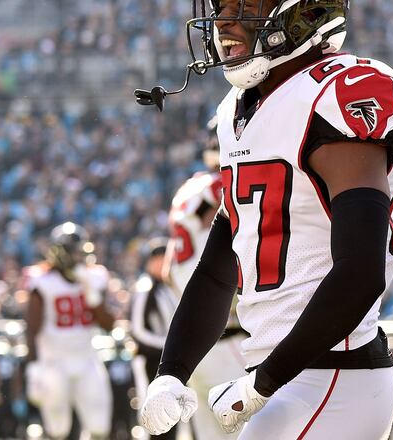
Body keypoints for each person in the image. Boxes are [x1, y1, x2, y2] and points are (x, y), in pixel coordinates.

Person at [139, 0, 393, 438]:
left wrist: (262, 383)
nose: (224, 21)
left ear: (303, 11)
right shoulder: (237, 110)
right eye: (221, 6)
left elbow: (362, 271)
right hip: (288, 378)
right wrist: (172, 372)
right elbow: (217, 268)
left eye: (245, 5)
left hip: (334, 377)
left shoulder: (339, 91)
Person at [162, 117, 248, 440]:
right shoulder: (222, 186)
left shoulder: (188, 189)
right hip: (227, 336)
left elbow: (169, 272)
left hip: (193, 341)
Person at [23, 222, 116, 440]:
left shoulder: (94, 277)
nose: (80, 258)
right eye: (75, 253)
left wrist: (92, 295)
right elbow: (32, 328)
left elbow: (108, 324)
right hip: (54, 362)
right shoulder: (42, 281)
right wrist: (33, 366)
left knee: (99, 425)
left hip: (87, 358)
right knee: (57, 428)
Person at [130, 239, 180, 440]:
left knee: (171, 414)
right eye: (158, 260)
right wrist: (166, 346)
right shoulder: (145, 288)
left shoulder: (167, 287)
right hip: (151, 360)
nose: (162, 265)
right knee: (154, 415)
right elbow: (137, 330)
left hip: (169, 360)